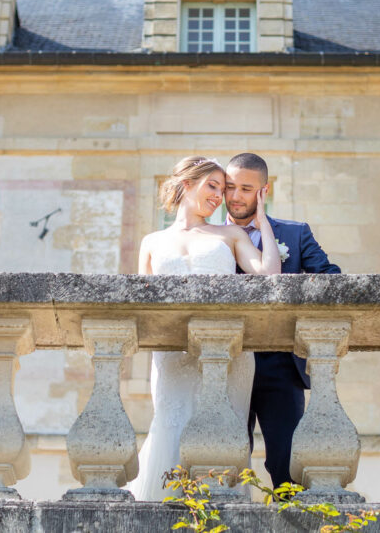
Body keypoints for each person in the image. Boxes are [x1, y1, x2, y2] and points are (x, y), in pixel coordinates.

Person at [128, 155, 280, 501]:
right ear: (186, 184)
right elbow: (143, 306)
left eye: (222, 189)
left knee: (223, 433)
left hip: (229, 355)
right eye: (212, 186)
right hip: (172, 356)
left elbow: (268, 277)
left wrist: (262, 219)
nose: (219, 196)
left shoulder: (231, 233)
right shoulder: (151, 241)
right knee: (170, 427)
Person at [223, 152, 341, 489]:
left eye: (246, 188)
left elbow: (332, 280)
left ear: (264, 191)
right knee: (222, 461)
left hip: (282, 365)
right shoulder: (210, 237)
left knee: (287, 465)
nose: (235, 196)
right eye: (230, 187)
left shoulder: (295, 233)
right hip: (224, 362)